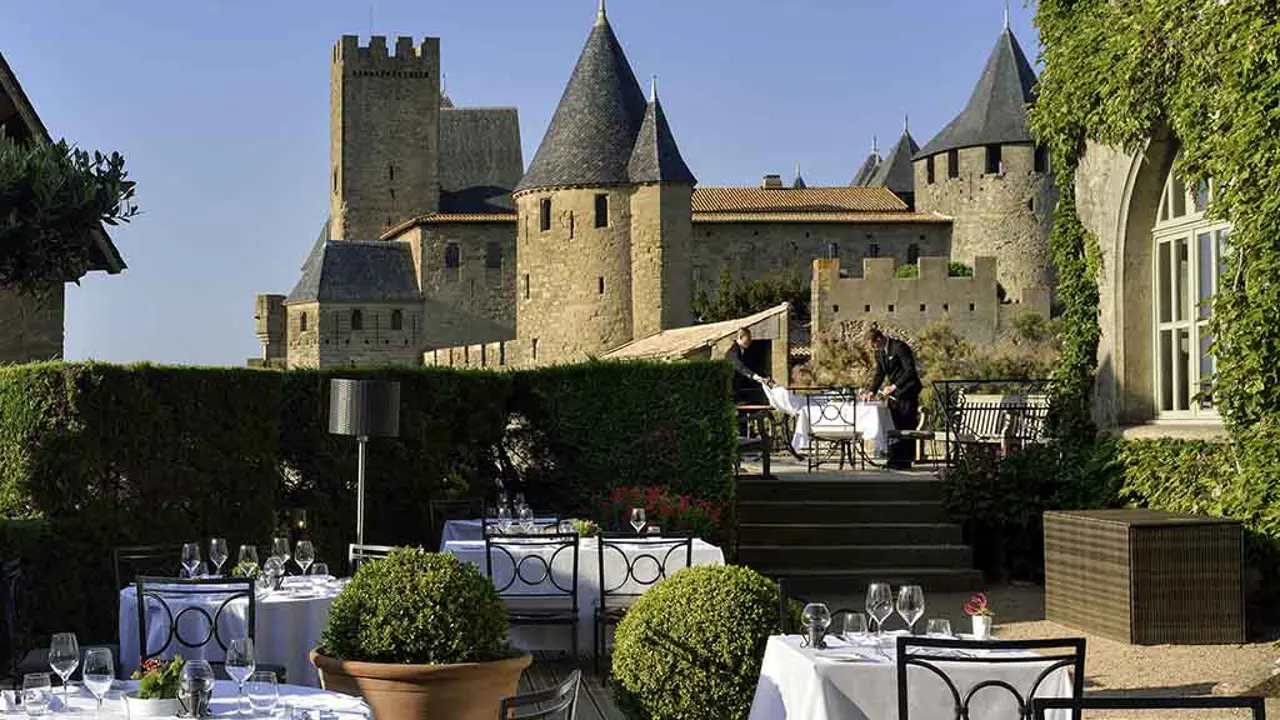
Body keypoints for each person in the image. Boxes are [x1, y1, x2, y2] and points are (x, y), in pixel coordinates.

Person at [862, 324, 922, 469]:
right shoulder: (880, 352)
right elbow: (880, 373)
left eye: (874, 346)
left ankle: (905, 461)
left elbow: (910, 371)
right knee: (894, 425)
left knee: (906, 425)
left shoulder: (900, 347)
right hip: (894, 395)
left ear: (879, 339)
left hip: (907, 391)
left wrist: (894, 386)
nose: (874, 349)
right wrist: (872, 391)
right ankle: (894, 459)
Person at [726, 328, 774, 405]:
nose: (750, 341)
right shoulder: (733, 351)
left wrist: (764, 377)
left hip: (743, 389)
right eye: (748, 338)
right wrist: (754, 376)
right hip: (734, 391)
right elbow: (739, 366)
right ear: (741, 337)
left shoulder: (745, 352)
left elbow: (752, 366)